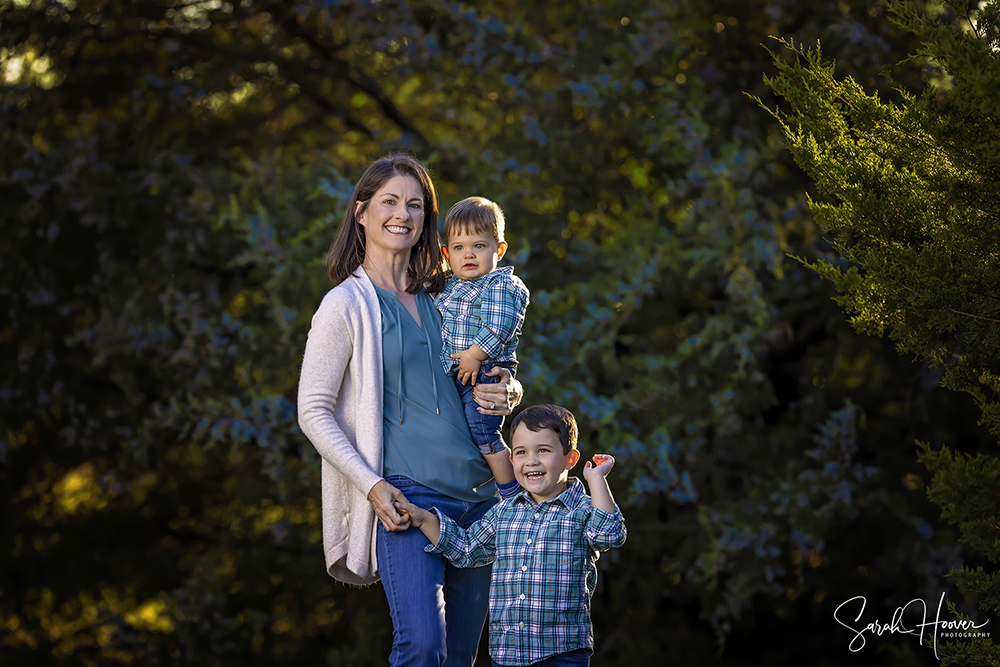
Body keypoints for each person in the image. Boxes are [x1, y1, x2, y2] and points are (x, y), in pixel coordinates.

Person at [297, 153, 523, 667]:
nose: (403, 214)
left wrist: (508, 391)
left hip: (481, 499)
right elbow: (312, 410)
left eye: (416, 204)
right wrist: (371, 486)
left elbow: (496, 365)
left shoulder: (451, 292)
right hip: (405, 496)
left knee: (460, 657)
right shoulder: (344, 306)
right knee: (422, 646)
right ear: (361, 212)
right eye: (390, 201)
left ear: (427, 219)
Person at [396, 404, 627, 667]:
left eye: (543, 450)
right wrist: (425, 518)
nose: (531, 460)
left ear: (570, 459)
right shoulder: (504, 512)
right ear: (512, 461)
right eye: (521, 452)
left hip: (562, 652)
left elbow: (609, 534)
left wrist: (596, 478)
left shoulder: (582, 510)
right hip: (509, 653)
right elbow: (467, 549)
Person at [437, 196, 530, 499]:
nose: (469, 255)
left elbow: (501, 324)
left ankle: (511, 492)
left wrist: (474, 356)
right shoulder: (447, 286)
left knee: (483, 430)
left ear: (499, 250)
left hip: (488, 369)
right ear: (446, 253)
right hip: (458, 373)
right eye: (459, 248)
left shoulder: (503, 285)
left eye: (479, 246)